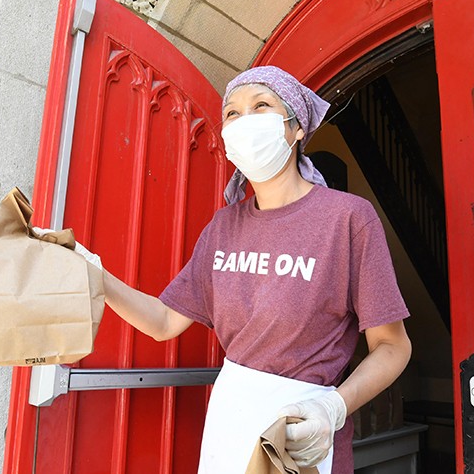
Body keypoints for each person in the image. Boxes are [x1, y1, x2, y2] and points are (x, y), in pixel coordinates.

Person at [87, 66, 411, 473]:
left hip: (299, 428)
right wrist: (95, 276)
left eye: (261, 106)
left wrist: (333, 408)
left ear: (296, 129)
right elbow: (165, 321)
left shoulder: (348, 220)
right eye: (232, 113)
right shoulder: (223, 227)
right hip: (230, 421)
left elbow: (393, 347)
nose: (244, 122)